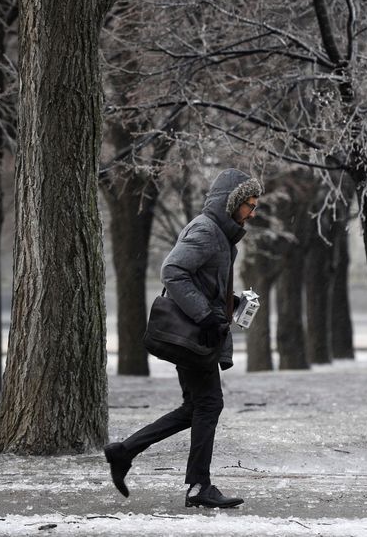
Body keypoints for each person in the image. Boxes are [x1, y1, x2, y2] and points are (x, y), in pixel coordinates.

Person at [104, 168, 262, 509]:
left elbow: (201, 281)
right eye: (248, 204)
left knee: (197, 407)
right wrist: (205, 315)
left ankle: (124, 451)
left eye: (255, 205)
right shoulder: (207, 230)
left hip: (199, 333)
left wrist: (231, 303)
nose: (252, 212)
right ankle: (198, 487)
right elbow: (173, 271)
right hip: (195, 333)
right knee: (209, 404)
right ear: (232, 202)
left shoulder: (221, 235)